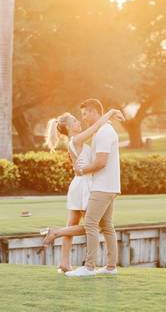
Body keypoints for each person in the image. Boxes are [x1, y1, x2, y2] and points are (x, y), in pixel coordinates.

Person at [41, 105, 123, 273]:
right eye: (75, 120)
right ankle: (56, 233)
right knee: (91, 225)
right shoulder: (76, 140)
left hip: (80, 182)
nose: (79, 121)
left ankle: (64, 262)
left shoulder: (75, 140)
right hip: (84, 184)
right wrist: (111, 113)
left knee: (76, 223)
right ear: (69, 127)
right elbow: (95, 127)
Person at [65, 98, 122, 277]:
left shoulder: (104, 132)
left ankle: (89, 267)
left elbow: (101, 162)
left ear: (93, 112)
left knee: (90, 223)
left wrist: (82, 169)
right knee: (106, 226)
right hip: (107, 185)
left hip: (102, 186)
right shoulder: (101, 130)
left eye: (84, 114)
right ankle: (111, 267)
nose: (82, 118)